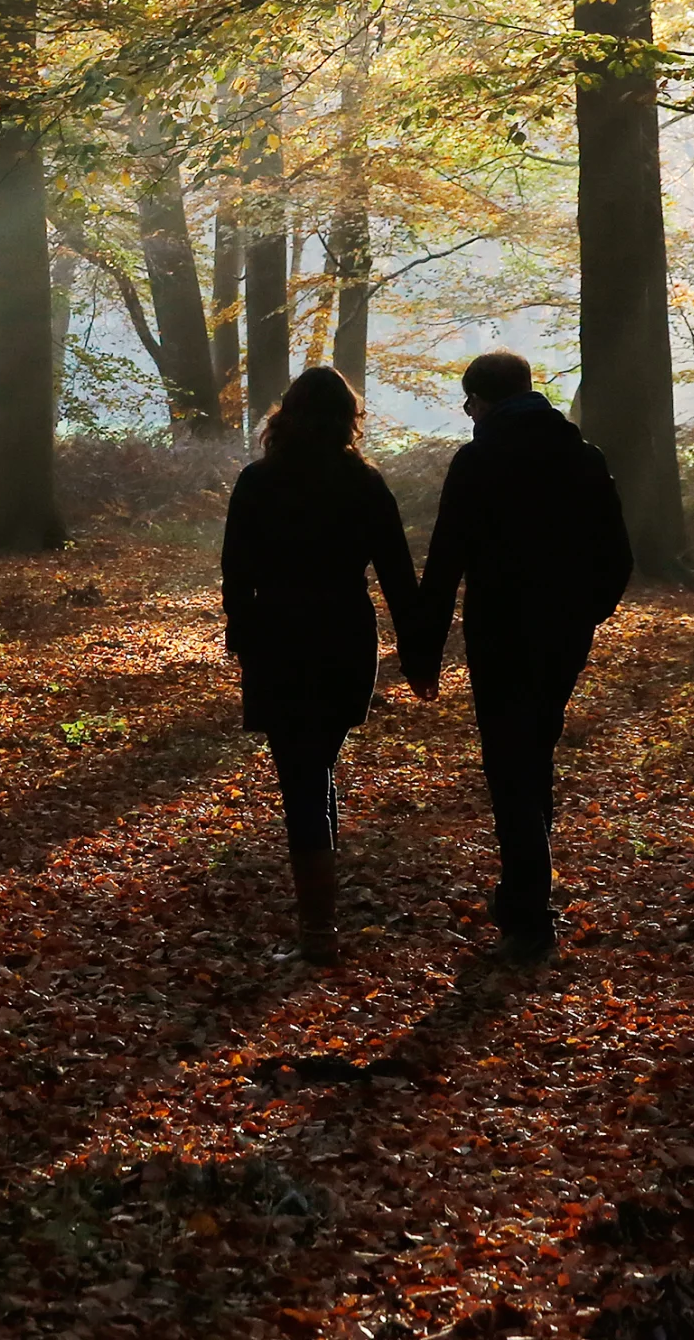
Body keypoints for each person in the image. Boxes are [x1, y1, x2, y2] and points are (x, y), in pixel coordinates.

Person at [403, 349, 631, 963]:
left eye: (468, 401)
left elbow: (445, 562)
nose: (468, 412)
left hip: (499, 634)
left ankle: (528, 915)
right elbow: (617, 557)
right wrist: (586, 613)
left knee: (511, 762)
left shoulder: (478, 461)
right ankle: (525, 893)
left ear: (481, 399)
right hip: (562, 636)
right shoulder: (584, 458)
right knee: (535, 749)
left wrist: (421, 654)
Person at [220, 365, 421, 964]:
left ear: (288, 414)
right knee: (317, 766)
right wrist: (416, 649)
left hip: (279, 636)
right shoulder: (366, 484)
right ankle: (320, 926)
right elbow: (396, 576)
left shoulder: (259, 481)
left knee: (302, 776)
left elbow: (237, 571)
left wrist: (243, 635)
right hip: (342, 634)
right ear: (347, 420)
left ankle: (318, 933)